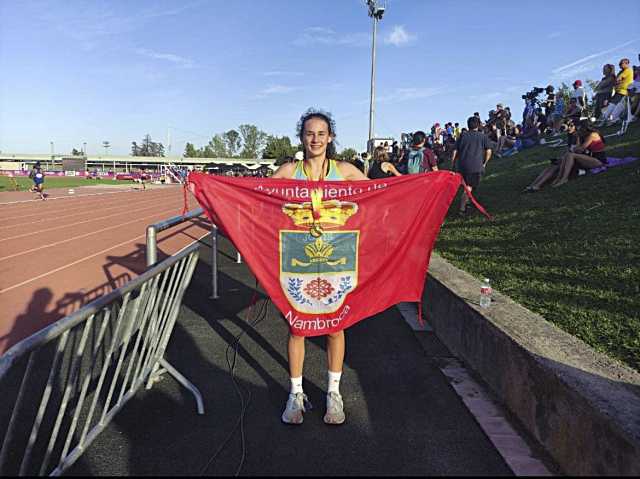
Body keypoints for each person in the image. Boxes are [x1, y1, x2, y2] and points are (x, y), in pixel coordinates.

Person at [271, 108, 368, 426]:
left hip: (337, 260)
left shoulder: (345, 171)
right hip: (296, 261)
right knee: (297, 327)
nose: (315, 139)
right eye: (309, 133)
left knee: (336, 327)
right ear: (302, 136)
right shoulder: (287, 172)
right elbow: (254, 200)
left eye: (321, 133)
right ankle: (295, 393)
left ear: (331, 137)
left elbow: (380, 199)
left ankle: (334, 394)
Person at [523, 120, 580, 192]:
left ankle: (537, 185)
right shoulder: (571, 136)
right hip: (568, 158)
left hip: (574, 160)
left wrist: (562, 158)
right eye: (568, 125)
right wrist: (560, 158)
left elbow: (577, 151)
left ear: (576, 127)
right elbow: (568, 150)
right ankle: (533, 185)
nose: (568, 127)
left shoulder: (577, 136)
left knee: (554, 166)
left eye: (571, 126)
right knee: (551, 166)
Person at [450, 116, 492, 215]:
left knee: (469, 186)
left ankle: (468, 202)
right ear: (478, 125)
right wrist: (485, 163)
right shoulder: (482, 136)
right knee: (468, 187)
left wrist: (452, 165)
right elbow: (489, 150)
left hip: (462, 166)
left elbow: (454, 151)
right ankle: (462, 209)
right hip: (475, 167)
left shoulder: (462, 136)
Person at [552, 122, 607, 187]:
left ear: (585, 129)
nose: (579, 131)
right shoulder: (584, 136)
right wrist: (578, 138)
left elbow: (580, 149)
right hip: (591, 158)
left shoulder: (593, 135)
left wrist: (578, 138)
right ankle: (559, 177)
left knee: (570, 155)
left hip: (599, 160)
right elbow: (577, 150)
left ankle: (564, 178)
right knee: (567, 154)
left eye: (580, 130)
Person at [599, 58, 634, 124]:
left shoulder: (628, 70)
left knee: (615, 107)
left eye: (621, 64)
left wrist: (615, 82)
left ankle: (613, 119)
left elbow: (618, 79)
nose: (620, 65)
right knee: (611, 107)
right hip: (618, 92)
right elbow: (616, 81)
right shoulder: (621, 72)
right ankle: (610, 119)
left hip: (623, 92)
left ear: (627, 63)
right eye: (619, 64)